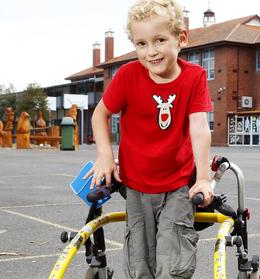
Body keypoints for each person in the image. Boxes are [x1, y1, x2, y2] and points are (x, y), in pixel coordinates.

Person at [86, 0, 214, 277]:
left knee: (173, 261)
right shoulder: (129, 75)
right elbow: (100, 115)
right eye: (141, 43)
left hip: (177, 184)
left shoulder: (194, 77)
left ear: (181, 38)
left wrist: (203, 178)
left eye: (159, 40)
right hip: (136, 185)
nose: (151, 52)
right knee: (139, 263)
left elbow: (199, 127)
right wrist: (105, 157)